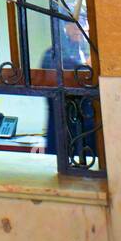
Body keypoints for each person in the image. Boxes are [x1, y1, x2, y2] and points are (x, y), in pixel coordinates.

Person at [41, 17, 96, 164]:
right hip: (64, 134)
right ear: (65, 27)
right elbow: (61, 74)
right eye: (74, 25)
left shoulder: (89, 52)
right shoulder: (53, 53)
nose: (79, 29)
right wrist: (87, 67)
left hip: (90, 135)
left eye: (83, 25)